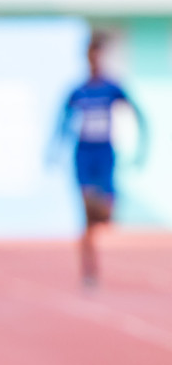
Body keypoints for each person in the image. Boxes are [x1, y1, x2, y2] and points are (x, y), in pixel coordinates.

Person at [54, 32, 148, 287]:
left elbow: (138, 114)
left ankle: (106, 209)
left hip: (105, 153)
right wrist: (55, 149)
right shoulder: (79, 91)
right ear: (86, 57)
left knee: (103, 215)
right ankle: (89, 270)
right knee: (86, 217)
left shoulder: (111, 88)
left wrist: (141, 150)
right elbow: (62, 120)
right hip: (84, 154)